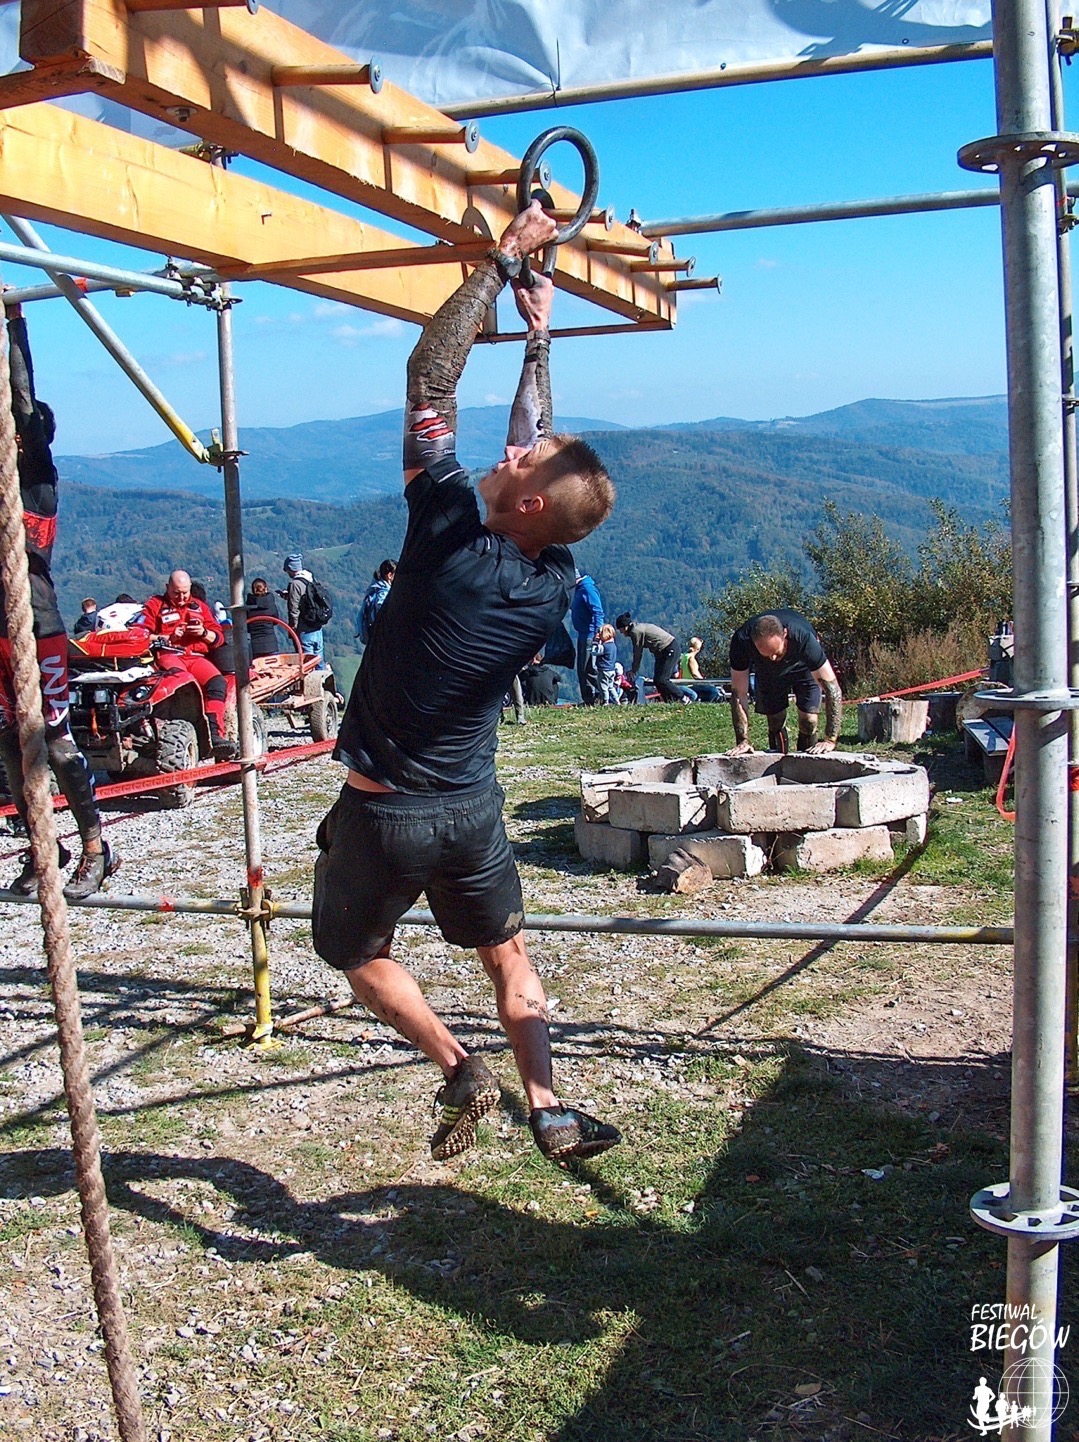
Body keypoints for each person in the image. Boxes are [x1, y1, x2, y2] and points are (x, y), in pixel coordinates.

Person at [312, 201, 620, 1164]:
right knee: (507, 955)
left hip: (387, 808)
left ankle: (456, 1065)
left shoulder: (445, 531)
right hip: (471, 805)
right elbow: (544, 445)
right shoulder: (552, 574)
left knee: (356, 953)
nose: (508, 448)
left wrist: (499, 259)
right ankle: (550, 1109)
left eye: (519, 460)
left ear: (525, 501)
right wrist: (536, 335)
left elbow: (428, 377)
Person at [0, 300, 118, 900]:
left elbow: (21, 400)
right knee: (9, 748)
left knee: (55, 742)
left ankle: (97, 846)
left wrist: (14, 323)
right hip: (1, 631)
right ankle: (42, 845)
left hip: (39, 625)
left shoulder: (38, 482)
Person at [142, 569, 236, 760]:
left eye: (185, 592)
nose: (181, 597)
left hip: (195, 656)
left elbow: (218, 638)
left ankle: (214, 733)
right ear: (167, 588)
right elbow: (140, 635)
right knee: (183, 682)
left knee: (217, 682)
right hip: (169, 654)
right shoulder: (155, 605)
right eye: (176, 593)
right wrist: (167, 637)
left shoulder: (200, 607)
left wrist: (203, 633)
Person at [726, 609, 843, 755]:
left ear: (785, 634)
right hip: (767, 672)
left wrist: (830, 739)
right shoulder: (741, 641)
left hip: (803, 668)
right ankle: (778, 760)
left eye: (777, 652)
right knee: (775, 720)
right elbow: (739, 693)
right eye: (768, 654)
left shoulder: (803, 638)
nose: (773, 658)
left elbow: (832, 689)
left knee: (809, 721)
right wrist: (742, 741)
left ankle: (807, 759)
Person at [615, 612, 691, 703]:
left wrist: (634, 670)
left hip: (669, 649)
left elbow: (637, 652)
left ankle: (683, 698)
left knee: (662, 679)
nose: (621, 633)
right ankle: (670, 702)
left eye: (620, 630)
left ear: (625, 627)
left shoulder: (635, 632)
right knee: (657, 681)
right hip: (663, 652)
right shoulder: (637, 628)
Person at [281, 553, 325, 664]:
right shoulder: (310, 578)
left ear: (291, 568)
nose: (287, 573)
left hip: (305, 630)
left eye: (287, 570)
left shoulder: (295, 584)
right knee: (319, 662)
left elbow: (294, 609)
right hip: (317, 628)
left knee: (307, 665)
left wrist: (293, 628)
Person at [570, 569, 604, 705]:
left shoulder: (587, 589)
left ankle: (605, 694)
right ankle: (590, 699)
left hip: (589, 635)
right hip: (582, 634)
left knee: (588, 669)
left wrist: (598, 633)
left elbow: (598, 611)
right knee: (583, 669)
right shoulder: (578, 590)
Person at [357, 559, 396, 646]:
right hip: (381, 637)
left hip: (371, 637)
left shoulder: (374, 589)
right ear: (389, 575)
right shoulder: (384, 591)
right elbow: (380, 606)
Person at [246, 577, 280, 660]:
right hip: (271, 644)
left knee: (258, 666)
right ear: (265, 588)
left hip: (255, 645)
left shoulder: (248, 606)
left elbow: (247, 627)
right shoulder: (270, 604)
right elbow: (276, 621)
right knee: (273, 666)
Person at [680, 636, 721, 703]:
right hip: (692, 684)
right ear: (698, 648)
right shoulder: (691, 659)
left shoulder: (684, 656)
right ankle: (706, 703)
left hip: (686, 684)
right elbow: (695, 674)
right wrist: (704, 681)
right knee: (713, 691)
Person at [594, 622, 620, 704]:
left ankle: (605, 701)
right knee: (611, 687)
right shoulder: (613, 646)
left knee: (603, 686)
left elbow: (594, 652)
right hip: (612, 670)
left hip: (604, 670)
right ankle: (617, 700)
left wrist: (596, 642)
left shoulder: (604, 647)